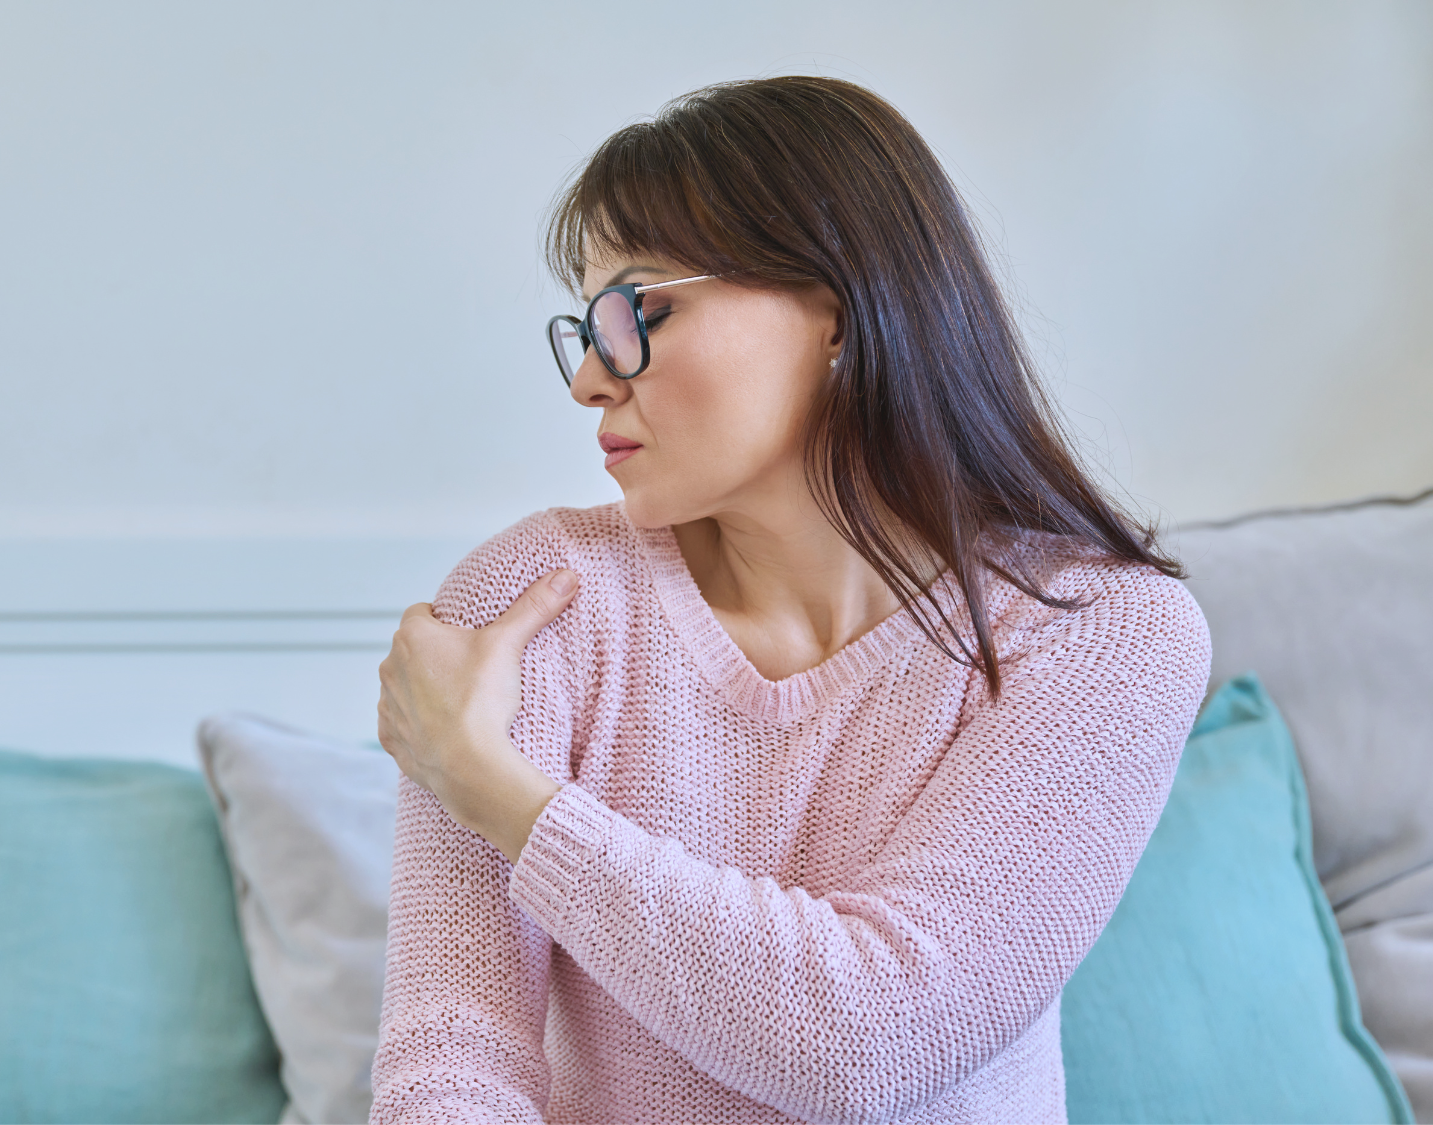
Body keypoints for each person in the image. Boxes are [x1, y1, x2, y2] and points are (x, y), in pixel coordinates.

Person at [369, 76, 1210, 1124]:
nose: (590, 376)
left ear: (839, 314)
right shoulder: (533, 607)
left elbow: (875, 1044)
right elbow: (454, 1057)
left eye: (640, 310)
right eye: (584, 325)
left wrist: (496, 791)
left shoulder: (1100, 632)